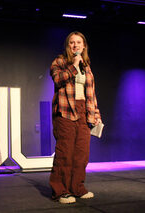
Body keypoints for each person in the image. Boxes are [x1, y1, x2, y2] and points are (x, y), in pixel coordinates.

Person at [49, 31, 102, 204]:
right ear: (68, 45)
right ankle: (61, 191)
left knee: (82, 154)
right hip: (65, 111)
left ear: (84, 46)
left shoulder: (87, 66)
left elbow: (91, 94)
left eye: (79, 42)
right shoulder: (60, 62)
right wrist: (73, 65)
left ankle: (77, 188)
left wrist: (96, 115)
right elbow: (58, 79)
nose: (75, 45)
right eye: (72, 42)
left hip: (84, 111)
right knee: (65, 153)